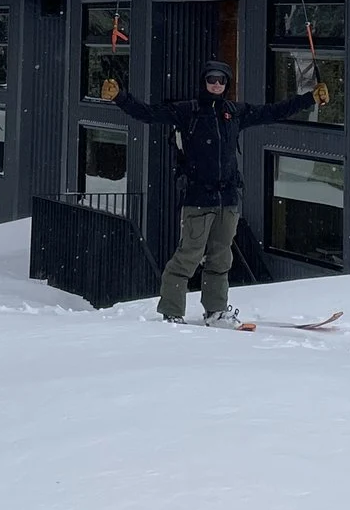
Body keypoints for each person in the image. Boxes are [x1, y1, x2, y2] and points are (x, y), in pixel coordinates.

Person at [107, 58, 320, 325]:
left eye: (221, 80)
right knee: (187, 258)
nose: (216, 84)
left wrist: (309, 98)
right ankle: (172, 312)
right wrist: (120, 97)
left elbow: (273, 111)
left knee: (221, 259)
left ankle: (215, 311)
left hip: (228, 199)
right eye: (212, 79)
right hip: (198, 198)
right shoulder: (188, 111)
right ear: (204, 81)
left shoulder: (235, 112)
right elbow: (148, 113)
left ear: (227, 83)